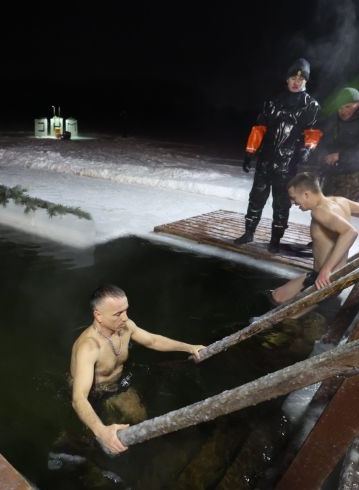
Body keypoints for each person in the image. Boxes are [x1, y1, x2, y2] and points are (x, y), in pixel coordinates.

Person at [70, 285, 205, 454]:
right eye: (118, 314)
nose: (125, 318)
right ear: (98, 315)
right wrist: (101, 431)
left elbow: (153, 341)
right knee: (95, 442)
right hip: (93, 394)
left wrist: (189, 347)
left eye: (126, 310)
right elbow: (79, 398)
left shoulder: (125, 327)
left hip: (118, 385)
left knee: (139, 417)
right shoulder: (89, 347)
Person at [235, 58, 322, 253]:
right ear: (287, 79)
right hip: (265, 160)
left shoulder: (311, 105)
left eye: (301, 79)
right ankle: (248, 232)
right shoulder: (272, 102)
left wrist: (308, 149)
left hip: (288, 164)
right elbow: (259, 129)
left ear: (306, 82)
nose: (296, 82)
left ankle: (275, 239)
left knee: (282, 203)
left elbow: (313, 132)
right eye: (293, 78)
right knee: (256, 198)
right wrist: (249, 152)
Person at [269, 173, 359, 305]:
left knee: (285, 311)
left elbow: (350, 232)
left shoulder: (319, 211)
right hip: (322, 275)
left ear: (306, 194)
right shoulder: (341, 201)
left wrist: (326, 270)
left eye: (293, 198)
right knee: (276, 296)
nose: (293, 203)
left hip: (325, 280)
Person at [317, 87, 359, 202]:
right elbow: (327, 134)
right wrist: (322, 153)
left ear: (357, 104)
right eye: (340, 107)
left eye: (348, 106)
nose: (343, 111)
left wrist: (340, 156)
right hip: (336, 165)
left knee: (343, 203)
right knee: (326, 201)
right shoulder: (336, 113)